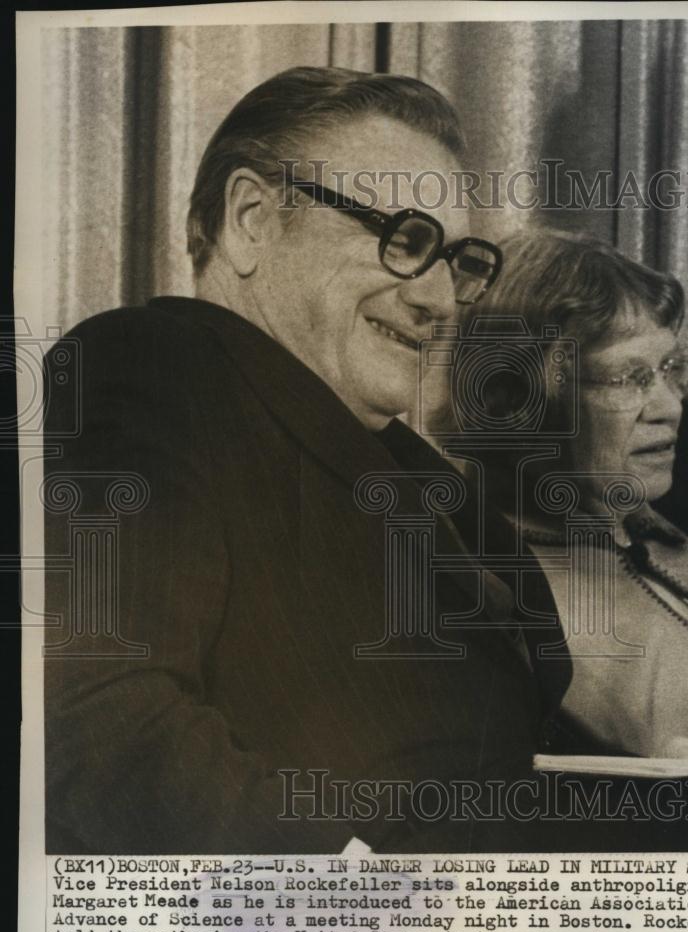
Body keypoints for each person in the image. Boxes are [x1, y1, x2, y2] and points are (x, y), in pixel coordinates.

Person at [43, 67, 570, 854]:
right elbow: (98, 714)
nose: (440, 299)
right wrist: (360, 907)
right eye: (404, 240)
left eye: (456, 259)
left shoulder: (409, 464)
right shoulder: (147, 369)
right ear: (253, 219)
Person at [463, 228, 688, 765]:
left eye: (669, 369)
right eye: (625, 379)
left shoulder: (674, 546)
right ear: (521, 397)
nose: (669, 407)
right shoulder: (494, 594)